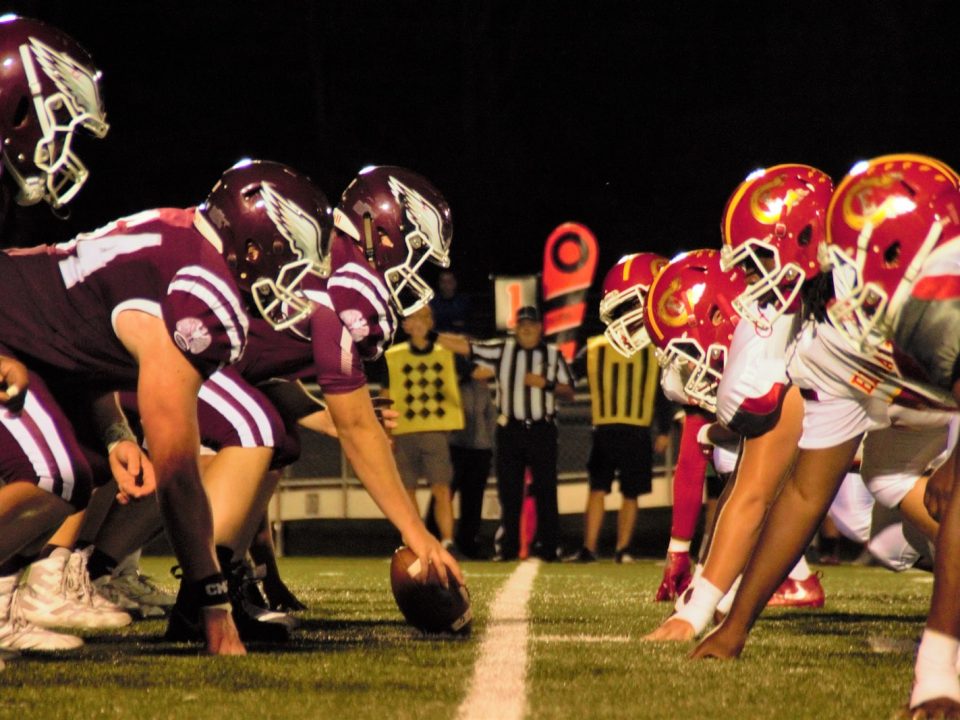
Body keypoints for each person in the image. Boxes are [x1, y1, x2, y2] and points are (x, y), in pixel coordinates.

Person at [689, 156, 957, 671]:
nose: (752, 282)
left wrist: (938, 667)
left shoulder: (935, 289)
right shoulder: (825, 344)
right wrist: (735, 626)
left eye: (758, 261)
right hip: (928, 398)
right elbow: (807, 493)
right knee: (888, 476)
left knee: (950, 487)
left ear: (808, 238)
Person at [440, 305, 574, 561]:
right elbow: (469, 348)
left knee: (546, 490)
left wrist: (545, 384)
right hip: (510, 429)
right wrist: (433, 336)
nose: (526, 328)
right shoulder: (503, 350)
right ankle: (508, 548)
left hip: (542, 428)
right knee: (508, 492)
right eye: (521, 324)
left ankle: (550, 548)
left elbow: (569, 391)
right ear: (515, 328)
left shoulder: (553, 354)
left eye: (531, 324)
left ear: (539, 328)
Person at [565, 328, 671, 563]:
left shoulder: (651, 351)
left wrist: (664, 429)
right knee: (598, 488)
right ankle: (589, 548)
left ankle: (622, 549)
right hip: (606, 428)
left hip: (636, 428)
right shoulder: (597, 347)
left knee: (629, 492)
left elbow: (662, 392)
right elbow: (569, 377)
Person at [382, 304, 465, 553]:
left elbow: (472, 370)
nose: (418, 322)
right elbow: (385, 395)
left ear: (432, 322)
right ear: (405, 324)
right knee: (407, 490)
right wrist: (387, 433)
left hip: (435, 431)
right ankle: (415, 540)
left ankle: (447, 541)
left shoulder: (445, 352)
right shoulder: (393, 355)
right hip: (404, 430)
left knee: (441, 487)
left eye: (424, 317)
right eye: (413, 317)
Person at [430, 269, 471, 333]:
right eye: (443, 282)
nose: (445, 285)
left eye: (449, 282)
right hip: (438, 337)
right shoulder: (433, 302)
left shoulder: (463, 302)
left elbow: (462, 324)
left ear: (455, 283)